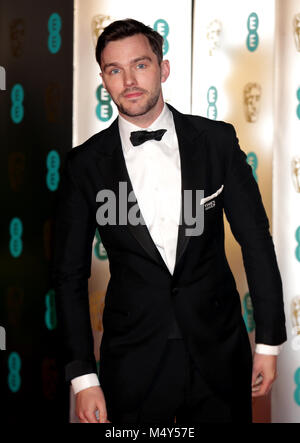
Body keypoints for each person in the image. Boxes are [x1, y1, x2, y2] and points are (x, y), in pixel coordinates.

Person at [52, 18, 287, 424]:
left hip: (219, 353)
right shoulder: (83, 165)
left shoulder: (216, 142)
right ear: (103, 80)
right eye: (114, 70)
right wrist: (82, 375)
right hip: (132, 363)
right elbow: (68, 275)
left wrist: (268, 342)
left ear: (163, 69)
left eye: (140, 65)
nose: (128, 80)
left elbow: (256, 241)